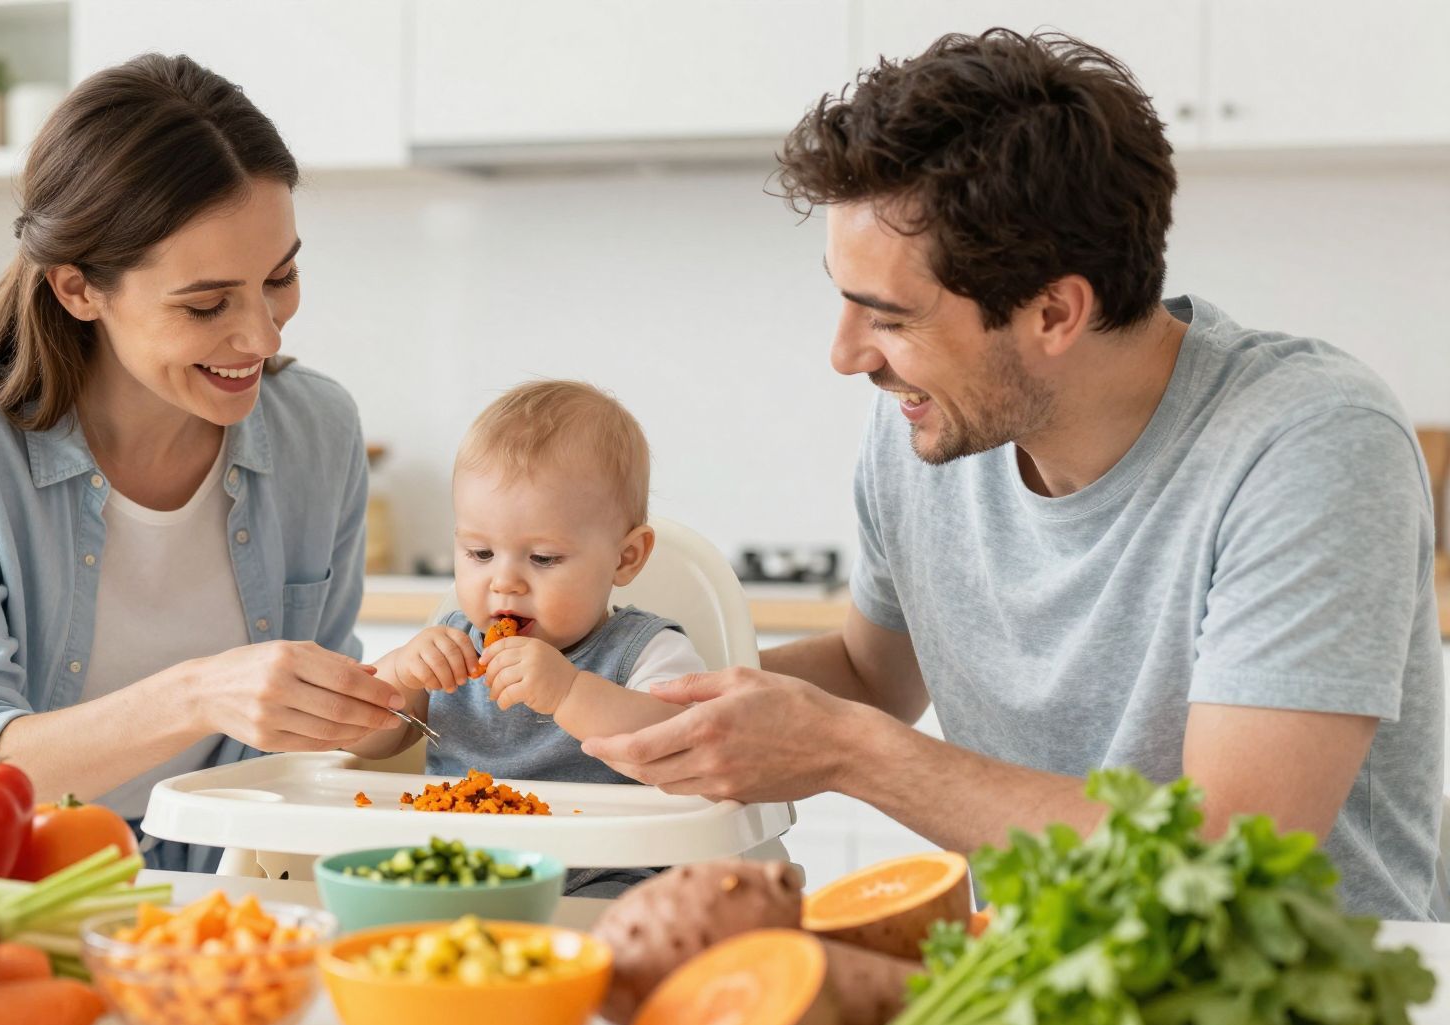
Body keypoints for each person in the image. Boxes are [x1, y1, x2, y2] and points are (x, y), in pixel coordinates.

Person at [582, 30, 1445, 919]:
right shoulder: (923, 429)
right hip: (1044, 990)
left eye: (890, 317)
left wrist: (851, 752)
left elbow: (1220, 853)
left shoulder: (1309, 444)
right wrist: (610, 699)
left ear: (1054, 312)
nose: (845, 357)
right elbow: (869, 674)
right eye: (844, 298)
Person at [0, 54, 405, 871]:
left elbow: (316, 747)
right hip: (14, 881)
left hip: (235, 878)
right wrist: (200, 693)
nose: (263, 336)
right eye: (207, 304)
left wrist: (408, 699)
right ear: (79, 289)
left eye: (280, 277)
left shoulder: (316, 431)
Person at [346, 380, 706, 895]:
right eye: (480, 554)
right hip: (454, 869)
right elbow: (365, 741)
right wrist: (401, 673)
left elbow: (676, 745)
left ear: (625, 558)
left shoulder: (644, 650)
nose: (504, 581)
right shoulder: (453, 644)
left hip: (602, 872)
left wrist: (569, 692)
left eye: (543, 559)